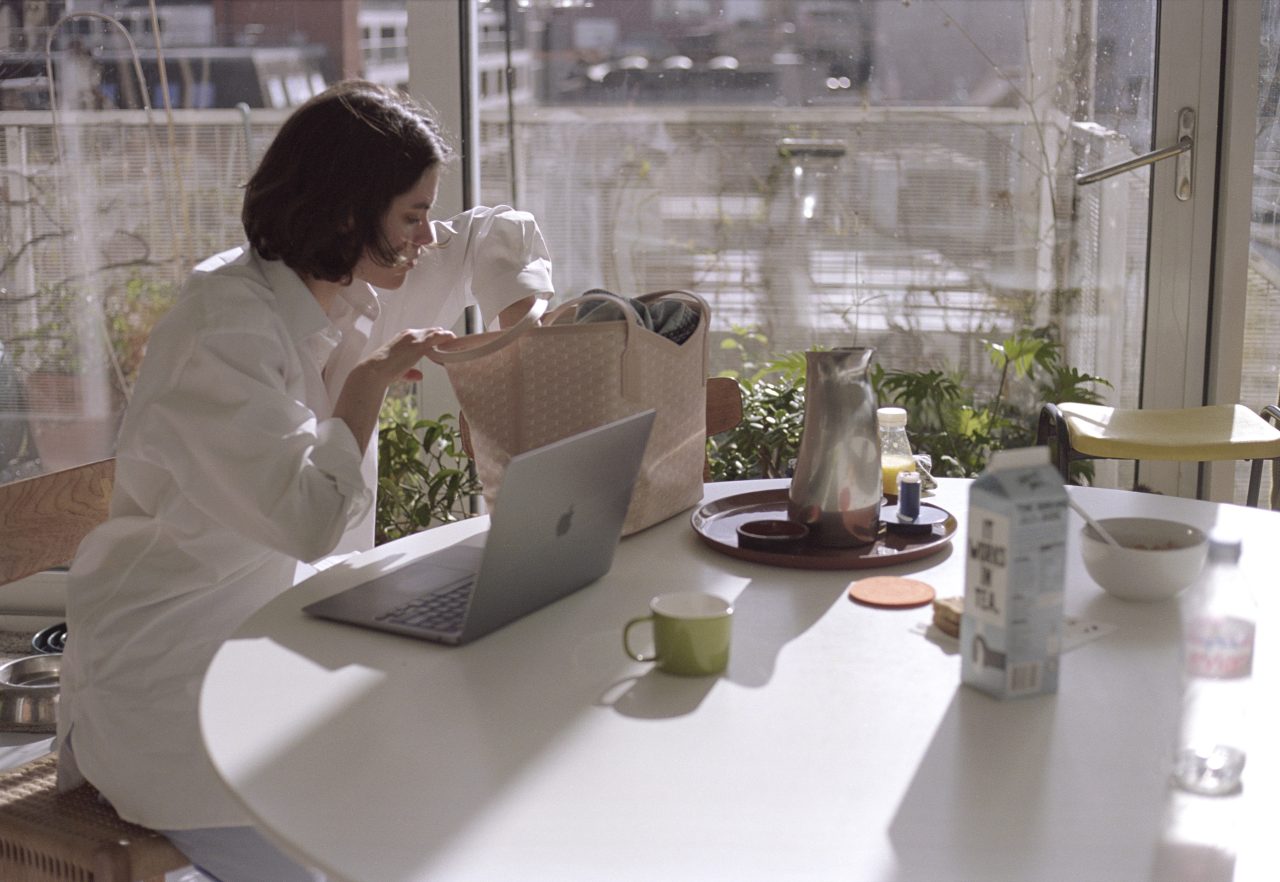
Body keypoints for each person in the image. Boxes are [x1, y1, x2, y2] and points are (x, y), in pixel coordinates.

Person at [54, 80, 554, 882]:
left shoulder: (348, 284)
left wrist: (517, 334)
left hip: (291, 645)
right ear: (348, 215)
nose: (428, 236)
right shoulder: (223, 332)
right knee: (372, 853)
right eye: (412, 216)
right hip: (174, 680)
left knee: (462, 790)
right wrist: (366, 387)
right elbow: (309, 522)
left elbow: (495, 234)